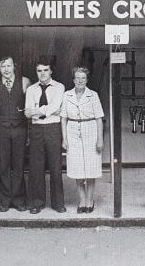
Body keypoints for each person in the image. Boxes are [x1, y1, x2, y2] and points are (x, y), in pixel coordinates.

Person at [0, 57, 30, 212]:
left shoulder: (25, 82)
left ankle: (19, 200)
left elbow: (30, 105)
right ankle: (5, 200)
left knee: (19, 164)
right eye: (2, 66)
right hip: (1, 130)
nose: (6, 69)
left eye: (9, 65)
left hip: (20, 129)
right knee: (4, 165)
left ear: (14, 66)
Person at [24, 58, 66, 214]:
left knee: (56, 166)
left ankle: (58, 203)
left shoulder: (59, 87)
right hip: (36, 130)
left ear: (51, 71)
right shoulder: (31, 89)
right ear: (36, 72)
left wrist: (38, 110)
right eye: (39, 70)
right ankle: (36, 202)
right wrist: (47, 110)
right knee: (36, 167)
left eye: (45, 70)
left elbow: (57, 107)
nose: (42, 73)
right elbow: (28, 112)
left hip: (53, 128)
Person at [60, 67, 104, 214]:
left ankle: (90, 200)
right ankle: (82, 200)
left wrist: (100, 140)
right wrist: (64, 139)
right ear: (73, 80)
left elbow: (99, 119)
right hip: (73, 132)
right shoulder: (67, 95)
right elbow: (63, 118)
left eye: (83, 78)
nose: (80, 81)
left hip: (90, 131)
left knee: (91, 170)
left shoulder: (93, 95)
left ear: (87, 80)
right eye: (77, 78)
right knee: (77, 169)